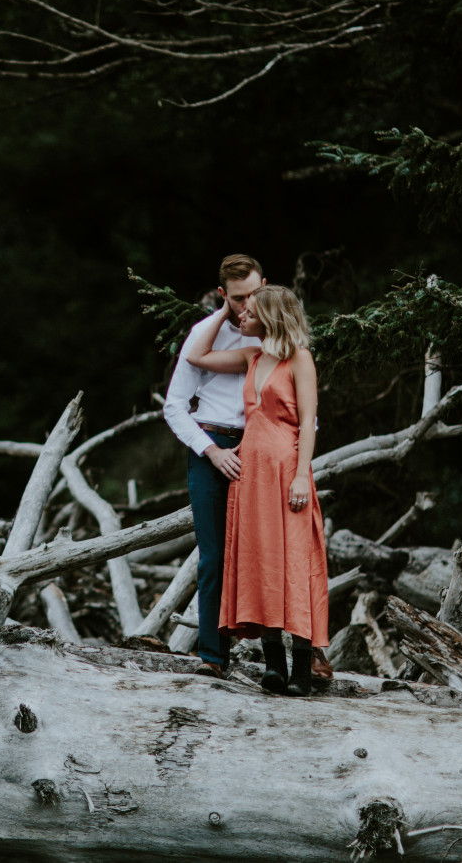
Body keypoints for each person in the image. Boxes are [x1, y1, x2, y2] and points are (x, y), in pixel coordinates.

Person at [184, 285, 328, 696]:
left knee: (295, 562)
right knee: (260, 562)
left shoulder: (299, 358)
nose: (241, 316)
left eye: (249, 310)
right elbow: (197, 355)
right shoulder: (253, 356)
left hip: (287, 470)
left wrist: (303, 475)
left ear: (271, 316)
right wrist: (221, 308)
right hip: (250, 475)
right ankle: (274, 665)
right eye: (240, 308)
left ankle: (302, 668)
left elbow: (308, 422)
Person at [161, 254, 266, 679]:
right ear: (223, 295)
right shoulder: (203, 335)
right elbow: (174, 407)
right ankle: (212, 656)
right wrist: (211, 451)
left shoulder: (277, 334)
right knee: (214, 555)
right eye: (237, 298)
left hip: (260, 446)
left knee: (261, 551)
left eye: (254, 295)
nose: (246, 306)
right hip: (211, 445)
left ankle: (278, 654)